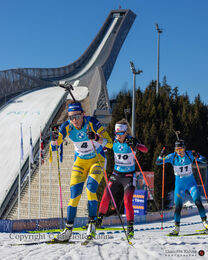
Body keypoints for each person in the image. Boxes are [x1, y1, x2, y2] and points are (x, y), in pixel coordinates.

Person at [51, 101, 113, 242]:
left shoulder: (92, 123)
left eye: (77, 116)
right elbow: (55, 147)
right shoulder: (66, 126)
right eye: (72, 117)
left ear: (83, 115)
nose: (75, 120)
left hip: (97, 160)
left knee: (90, 189)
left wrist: (96, 137)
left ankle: (91, 225)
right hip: (80, 162)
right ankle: (68, 230)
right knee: (74, 196)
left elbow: (110, 143)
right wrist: (54, 140)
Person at [97, 119, 148, 239]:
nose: (118, 136)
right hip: (116, 174)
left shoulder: (132, 140)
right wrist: (95, 138)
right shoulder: (114, 141)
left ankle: (130, 228)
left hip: (129, 176)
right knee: (105, 196)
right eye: (116, 133)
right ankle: (98, 221)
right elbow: (103, 143)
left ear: (126, 132)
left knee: (127, 201)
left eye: (120, 133)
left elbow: (145, 149)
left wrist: (136, 145)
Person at [156, 139, 208, 236]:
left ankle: (205, 223)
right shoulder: (172, 156)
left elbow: (205, 160)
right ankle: (176, 228)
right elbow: (158, 162)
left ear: (184, 148)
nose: (179, 151)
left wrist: (198, 155)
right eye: (176, 149)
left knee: (198, 202)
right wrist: (161, 155)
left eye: (180, 149)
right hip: (179, 185)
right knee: (178, 207)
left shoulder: (189, 154)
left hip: (191, 183)